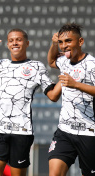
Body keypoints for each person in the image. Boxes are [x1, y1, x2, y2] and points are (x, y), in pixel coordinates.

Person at [0, 28, 61, 176]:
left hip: (22, 130)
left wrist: (65, 74)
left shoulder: (36, 67)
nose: (15, 43)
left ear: (27, 43)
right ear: (7, 45)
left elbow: (53, 95)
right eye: (11, 40)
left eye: (18, 40)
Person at [47, 23, 95, 176]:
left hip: (88, 132)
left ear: (80, 42)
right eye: (61, 42)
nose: (64, 46)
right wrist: (54, 44)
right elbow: (51, 61)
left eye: (68, 41)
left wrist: (76, 85)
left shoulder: (92, 65)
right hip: (64, 131)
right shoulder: (64, 62)